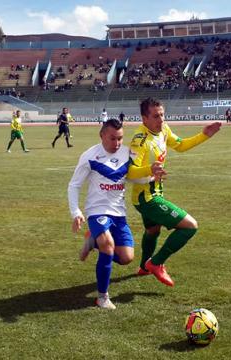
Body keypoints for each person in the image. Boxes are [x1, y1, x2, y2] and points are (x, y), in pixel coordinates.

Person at [67, 119, 162, 309]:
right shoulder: (90, 156)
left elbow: (134, 176)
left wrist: (152, 175)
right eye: (112, 138)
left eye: (120, 138)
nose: (117, 143)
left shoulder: (127, 153)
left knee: (126, 258)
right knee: (108, 245)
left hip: (119, 213)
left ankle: (93, 241)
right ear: (102, 135)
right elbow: (74, 184)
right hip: (97, 211)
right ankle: (102, 296)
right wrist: (75, 212)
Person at [127, 98, 222, 287]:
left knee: (153, 231)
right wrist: (149, 170)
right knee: (190, 226)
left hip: (155, 194)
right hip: (146, 198)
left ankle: (144, 267)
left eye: (162, 114)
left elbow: (180, 145)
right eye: (155, 116)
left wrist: (204, 135)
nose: (161, 119)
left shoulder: (163, 130)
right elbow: (129, 173)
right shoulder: (140, 140)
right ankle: (156, 263)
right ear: (144, 118)